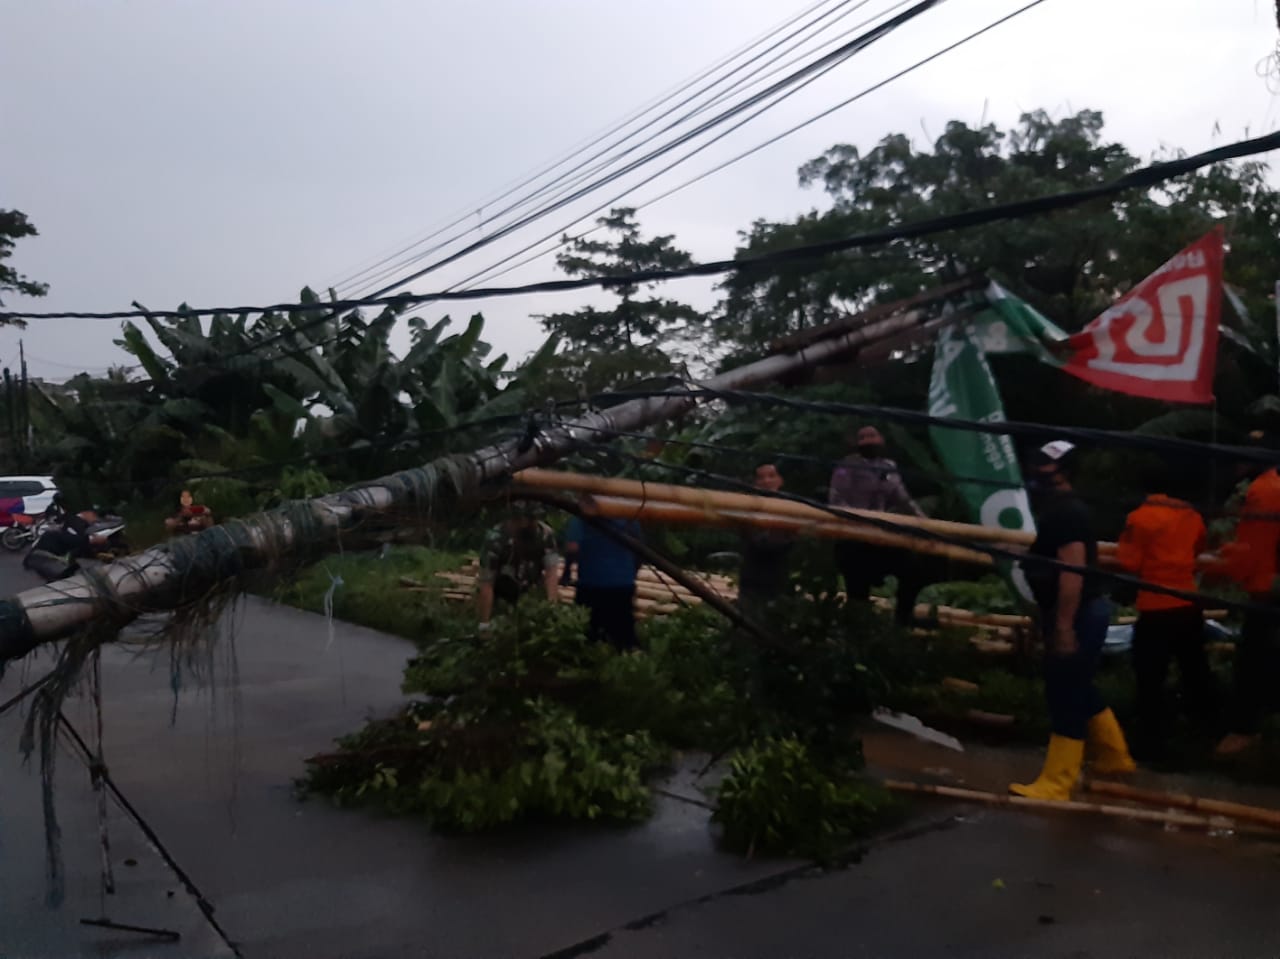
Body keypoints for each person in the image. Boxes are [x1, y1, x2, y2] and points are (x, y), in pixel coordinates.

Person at [1010, 440, 1134, 801]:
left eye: (1047, 465)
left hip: (1077, 612)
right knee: (1076, 683)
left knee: (1063, 692)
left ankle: (1058, 780)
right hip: (1077, 610)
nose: (1039, 471)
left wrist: (1064, 625)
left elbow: (1072, 572)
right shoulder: (1062, 510)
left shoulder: (1066, 514)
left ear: (1065, 471)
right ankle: (1115, 756)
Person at [1114, 470, 1214, 758]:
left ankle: (1152, 741)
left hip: (1156, 607)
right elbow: (1199, 549)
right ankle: (1206, 733)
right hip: (1187, 603)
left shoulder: (1140, 518)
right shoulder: (1191, 515)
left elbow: (1129, 562)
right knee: (1195, 671)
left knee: (1150, 677)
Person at [1207, 437, 1280, 756]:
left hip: (1268, 591)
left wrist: (1225, 561)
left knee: (1254, 661)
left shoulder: (1265, 491)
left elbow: (1254, 550)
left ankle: (1243, 732)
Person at [828, 425, 926, 625]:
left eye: (872, 436)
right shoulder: (846, 467)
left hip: (882, 537)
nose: (868, 441)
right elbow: (836, 500)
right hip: (854, 539)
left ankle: (903, 618)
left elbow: (903, 499)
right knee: (858, 590)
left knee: (913, 569)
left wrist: (924, 522)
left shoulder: (888, 466)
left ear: (881, 440)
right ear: (857, 443)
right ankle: (857, 632)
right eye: (863, 437)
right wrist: (860, 521)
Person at [563, 507, 642, 650]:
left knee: (588, 639)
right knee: (623, 639)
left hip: (591, 584)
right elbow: (639, 549)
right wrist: (632, 573)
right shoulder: (629, 517)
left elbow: (572, 548)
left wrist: (567, 572)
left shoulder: (582, 517)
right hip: (622, 585)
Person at [475, 505, 561, 630]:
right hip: (501, 592)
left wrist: (551, 609)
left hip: (530, 591)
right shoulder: (496, 538)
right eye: (521, 520)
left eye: (533, 520)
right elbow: (487, 582)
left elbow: (551, 573)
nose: (528, 524)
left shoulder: (545, 535)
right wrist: (484, 624)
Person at [738, 462, 794, 620]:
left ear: (780, 480)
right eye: (761, 478)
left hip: (778, 574)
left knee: (774, 621)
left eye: (771, 476)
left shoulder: (791, 507)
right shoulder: (746, 506)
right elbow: (751, 538)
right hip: (752, 574)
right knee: (747, 620)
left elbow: (788, 539)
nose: (766, 481)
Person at [23, 506, 108, 582]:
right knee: (64, 579)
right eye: (95, 516)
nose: (96, 519)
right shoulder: (76, 522)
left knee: (66, 576)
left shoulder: (72, 520)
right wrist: (90, 541)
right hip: (44, 556)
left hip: (42, 556)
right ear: (87, 513)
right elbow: (71, 540)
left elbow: (75, 546)